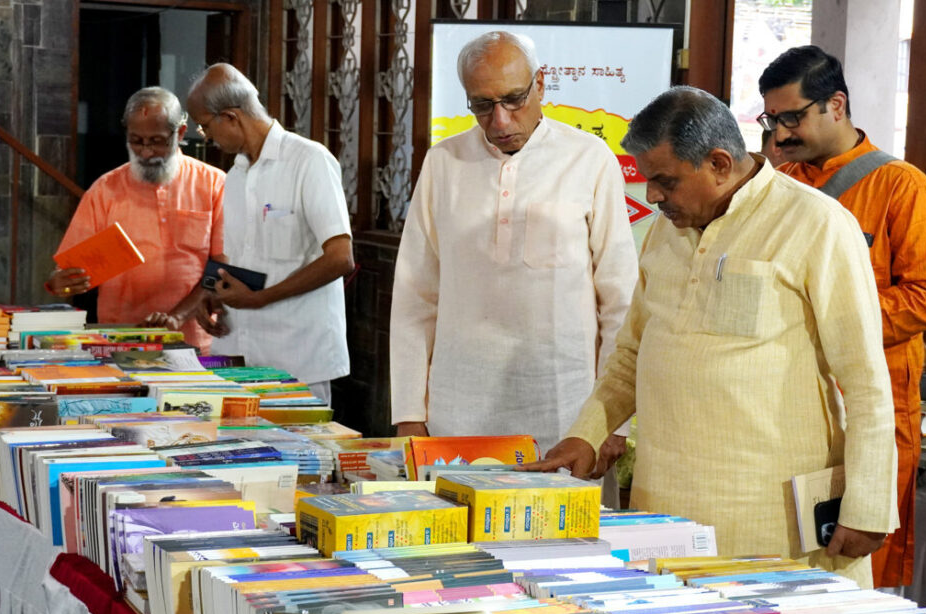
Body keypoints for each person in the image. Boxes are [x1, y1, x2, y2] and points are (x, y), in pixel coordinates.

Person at [528, 86, 898, 588]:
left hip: (772, 522)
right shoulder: (667, 231)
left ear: (720, 164)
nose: (653, 197)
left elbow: (866, 381)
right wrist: (587, 432)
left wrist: (869, 504)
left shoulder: (816, 223)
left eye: (665, 182)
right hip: (662, 515)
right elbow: (633, 351)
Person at [388, 31, 638, 499]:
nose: (499, 120)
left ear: (541, 85)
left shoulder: (590, 160)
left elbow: (620, 300)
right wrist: (409, 413)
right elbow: (414, 296)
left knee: (568, 549)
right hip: (457, 409)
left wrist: (611, 422)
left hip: (566, 409)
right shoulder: (443, 162)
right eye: (482, 105)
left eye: (513, 99)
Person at [759, 45, 926, 588]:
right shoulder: (780, 186)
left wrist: (835, 322)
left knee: (863, 566)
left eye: (792, 117)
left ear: (836, 105)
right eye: (771, 119)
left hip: (874, 404)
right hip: (789, 408)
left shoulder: (903, 187)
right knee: (792, 567)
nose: (779, 134)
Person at [186, 64, 355, 404]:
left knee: (301, 456)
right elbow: (245, 260)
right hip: (240, 352)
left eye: (206, 127)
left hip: (297, 357)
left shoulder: (309, 161)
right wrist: (215, 294)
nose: (209, 139)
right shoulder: (236, 175)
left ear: (231, 117)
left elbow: (340, 258)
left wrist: (261, 298)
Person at [47, 87, 224, 352]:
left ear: (181, 133)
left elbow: (223, 268)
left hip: (194, 340)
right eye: (136, 141)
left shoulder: (214, 185)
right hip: (121, 339)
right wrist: (59, 282)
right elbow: (69, 270)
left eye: (157, 141)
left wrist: (178, 315)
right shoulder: (104, 190)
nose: (146, 152)